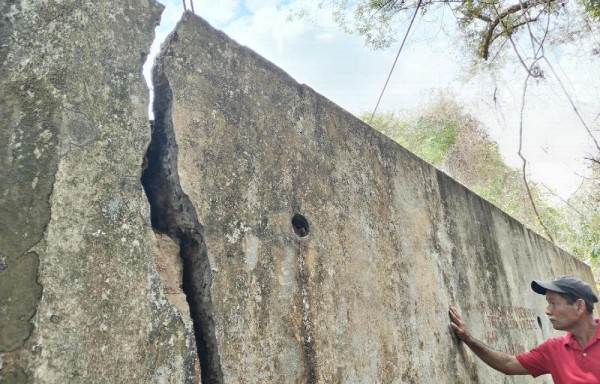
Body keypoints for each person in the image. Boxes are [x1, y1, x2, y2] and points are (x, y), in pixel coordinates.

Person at [448, 275, 600, 383]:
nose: (547, 310)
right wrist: (467, 338)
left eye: (553, 303)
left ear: (579, 306)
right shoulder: (553, 349)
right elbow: (508, 364)